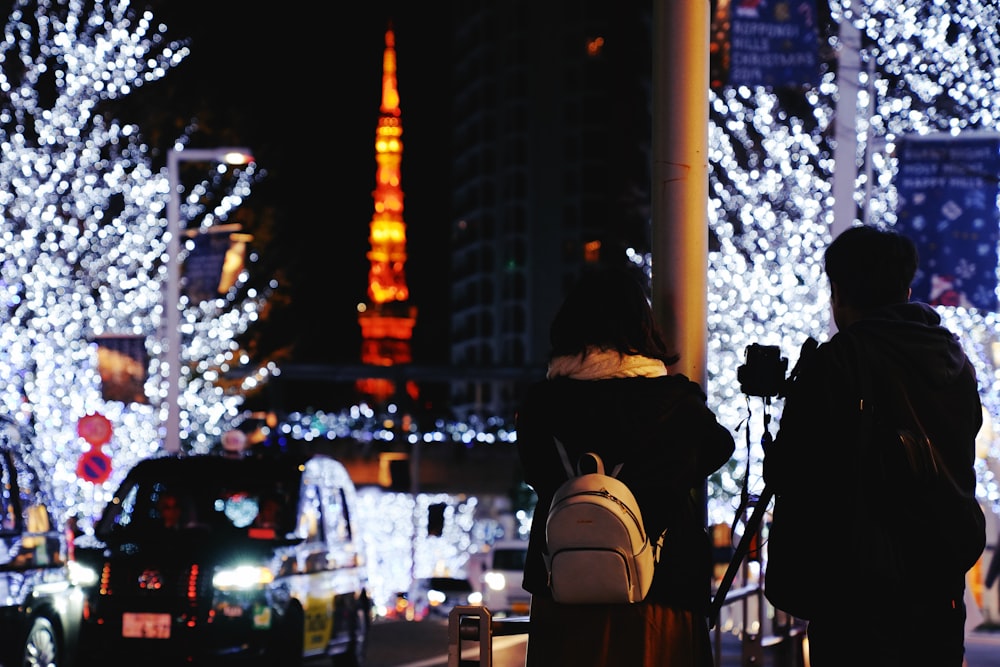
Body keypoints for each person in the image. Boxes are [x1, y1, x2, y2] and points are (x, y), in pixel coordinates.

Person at [762, 225, 985, 666]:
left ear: (839, 290)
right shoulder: (954, 361)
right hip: (939, 577)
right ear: (905, 288)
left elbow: (791, 470)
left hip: (857, 588)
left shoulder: (838, 361)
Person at [515, 266, 736, 667]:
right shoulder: (676, 402)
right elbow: (720, 447)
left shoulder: (541, 404)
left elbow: (535, 473)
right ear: (642, 326)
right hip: (660, 596)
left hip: (563, 587)